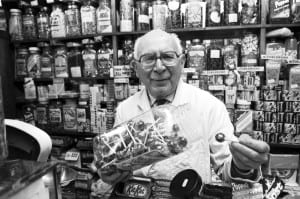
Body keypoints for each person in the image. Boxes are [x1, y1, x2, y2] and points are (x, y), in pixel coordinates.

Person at [98, 29, 270, 186]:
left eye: (167, 56)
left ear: (182, 62)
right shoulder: (125, 109)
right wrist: (110, 172)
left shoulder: (209, 106)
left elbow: (226, 169)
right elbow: (116, 162)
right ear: (136, 68)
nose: (159, 68)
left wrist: (242, 166)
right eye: (149, 59)